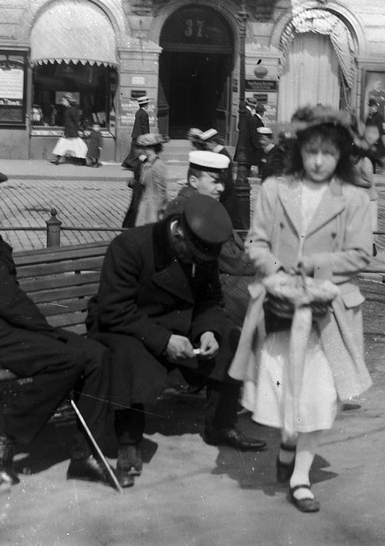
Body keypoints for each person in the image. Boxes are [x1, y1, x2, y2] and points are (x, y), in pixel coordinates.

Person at [0, 163, 125, 488]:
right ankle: (4, 435)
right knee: (68, 358)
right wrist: (46, 332)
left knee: (96, 354)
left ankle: (85, 456)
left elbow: (3, 298)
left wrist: (44, 332)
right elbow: (6, 298)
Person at [230, 105, 374, 514]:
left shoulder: (354, 198)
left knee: (322, 394)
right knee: (286, 390)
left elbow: (362, 253)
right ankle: (289, 443)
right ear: (299, 149)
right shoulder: (275, 189)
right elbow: (255, 243)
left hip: (329, 308)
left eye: (327, 153)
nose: (317, 161)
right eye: (311, 150)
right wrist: (275, 271)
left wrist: (317, 266)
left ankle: (300, 477)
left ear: (341, 155)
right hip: (281, 304)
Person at [88, 195, 267, 481]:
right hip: (126, 325)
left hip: (178, 327)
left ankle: (221, 425)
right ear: (179, 232)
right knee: (130, 353)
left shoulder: (200, 248)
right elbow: (113, 311)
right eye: (192, 256)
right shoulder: (130, 245)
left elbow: (209, 299)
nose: (195, 263)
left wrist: (207, 330)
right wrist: (164, 340)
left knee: (230, 340)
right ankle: (129, 443)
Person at [164, 151, 254, 329]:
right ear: (193, 181)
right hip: (204, 288)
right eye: (215, 181)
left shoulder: (202, 204)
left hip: (216, 280)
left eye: (222, 182)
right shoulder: (188, 210)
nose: (221, 188)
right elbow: (230, 260)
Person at [193, 128, 245, 232]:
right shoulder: (220, 152)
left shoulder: (222, 155)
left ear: (212, 142)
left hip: (226, 198)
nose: (206, 146)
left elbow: (226, 180)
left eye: (207, 143)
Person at [134, 133, 168, 226]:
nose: (141, 151)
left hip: (153, 206)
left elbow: (161, 190)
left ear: (151, 148)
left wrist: (159, 209)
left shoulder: (158, 165)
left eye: (144, 148)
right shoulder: (147, 163)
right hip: (146, 203)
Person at [50, 96, 87, 165]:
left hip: (72, 131)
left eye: (64, 101)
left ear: (68, 101)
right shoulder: (68, 109)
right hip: (68, 131)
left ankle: (83, 160)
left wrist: (78, 130)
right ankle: (57, 160)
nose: (62, 102)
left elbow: (75, 120)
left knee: (77, 146)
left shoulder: (72, 109)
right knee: (62, 145)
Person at [123, 96, 151, 170]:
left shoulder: (138, 112)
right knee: (139, 151)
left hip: (135, 135)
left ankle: (128, 164)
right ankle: (131, 164)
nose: (148, 106)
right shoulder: (144, 114)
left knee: (134, 151)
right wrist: (147, 136)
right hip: (141, 136)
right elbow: (144, 126)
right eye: (147, 104)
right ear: (145, 105)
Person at [363, 98, 385, 170]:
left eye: (372, 107)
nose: (370, 108)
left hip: (375, 139)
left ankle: (374, 168)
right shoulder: (369, 116)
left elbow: (381, 129)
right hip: (369, 138)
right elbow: (366, 126)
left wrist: (376, 139)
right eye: (370, 107)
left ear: (376, 107)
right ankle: (376, 166)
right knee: (371, 155)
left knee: (373, 155)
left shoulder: (380, 116)